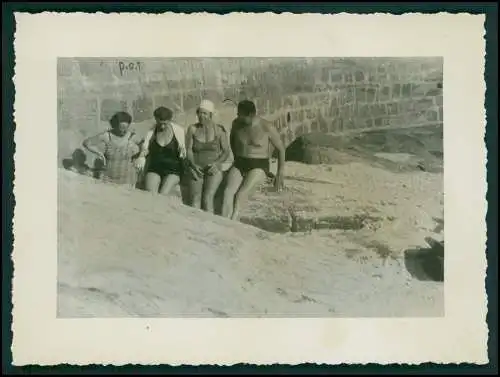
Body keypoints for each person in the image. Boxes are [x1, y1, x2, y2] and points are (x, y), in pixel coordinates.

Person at [222, 100, 286, 221]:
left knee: (241, 195)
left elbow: (281, 149)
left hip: (258, 165)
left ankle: (233, 222)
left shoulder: (266, 126)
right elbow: (232, 140)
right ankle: (223, 222)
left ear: (251, 115)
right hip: (240, 163)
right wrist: (235, 159)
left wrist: (280, 172)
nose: (238, 117)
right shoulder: (236, 124)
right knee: (227, 192)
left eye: (241, 115)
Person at [185, 100, 231, 213]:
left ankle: (211, 226)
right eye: (199, 113)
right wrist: (193, 165)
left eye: (204, 113)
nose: (201, 116)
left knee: (208, 198)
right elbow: (189, 150)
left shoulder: (219, 130)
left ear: (211, 115)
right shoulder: (192, 129)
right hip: (196, 167)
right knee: (195, 200)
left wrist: (217, 164)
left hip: (213, 168)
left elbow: (226, 151)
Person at [135, 106, 187, 196]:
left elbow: (183, 154)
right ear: (156, 119)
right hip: (155, 168)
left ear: (170, 120)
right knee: (150, 195)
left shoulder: (178, 132)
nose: (162, 126)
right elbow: (145, 149)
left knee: (163, 195)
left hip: (173, 170)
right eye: (160, 123)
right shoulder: (151, 133)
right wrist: (142, 154)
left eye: (165, 124)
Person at [82, 111, 143, 187]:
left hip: (127, 181)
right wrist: (99, 153)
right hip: (107, 179)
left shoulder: (132, 137)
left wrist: (140, 157)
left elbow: (145, 146)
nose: (123, 131)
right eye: (121, 128)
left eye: (126, 128)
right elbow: (87, 143)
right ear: (115, 125)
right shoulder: (107, 136)